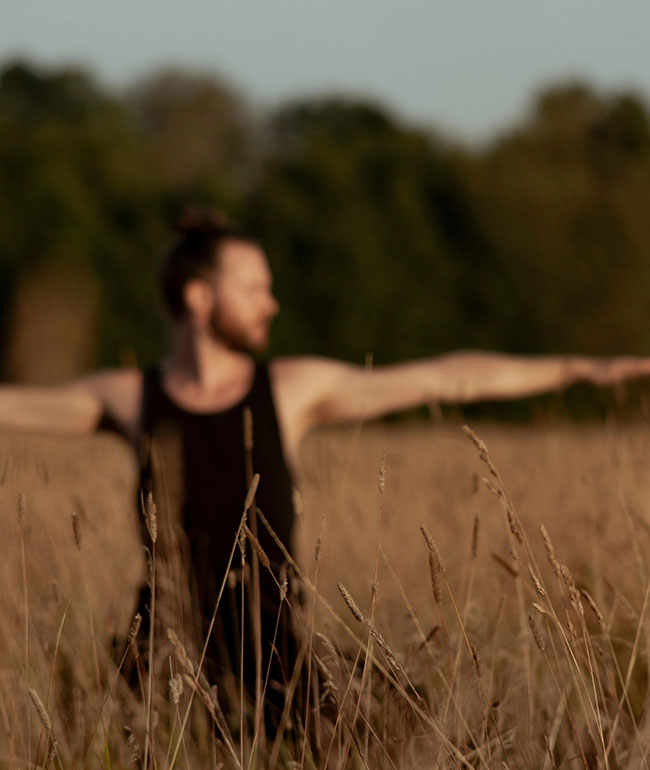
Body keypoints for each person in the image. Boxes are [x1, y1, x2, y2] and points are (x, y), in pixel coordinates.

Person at [2, 212, 650, 725]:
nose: (272, 303)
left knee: (418, 729)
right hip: (161, 662)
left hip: (279, 661)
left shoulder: (291, 390)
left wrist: (576, 369)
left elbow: (446, 377)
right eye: (255, 288)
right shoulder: (131, 399)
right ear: (200, 297)